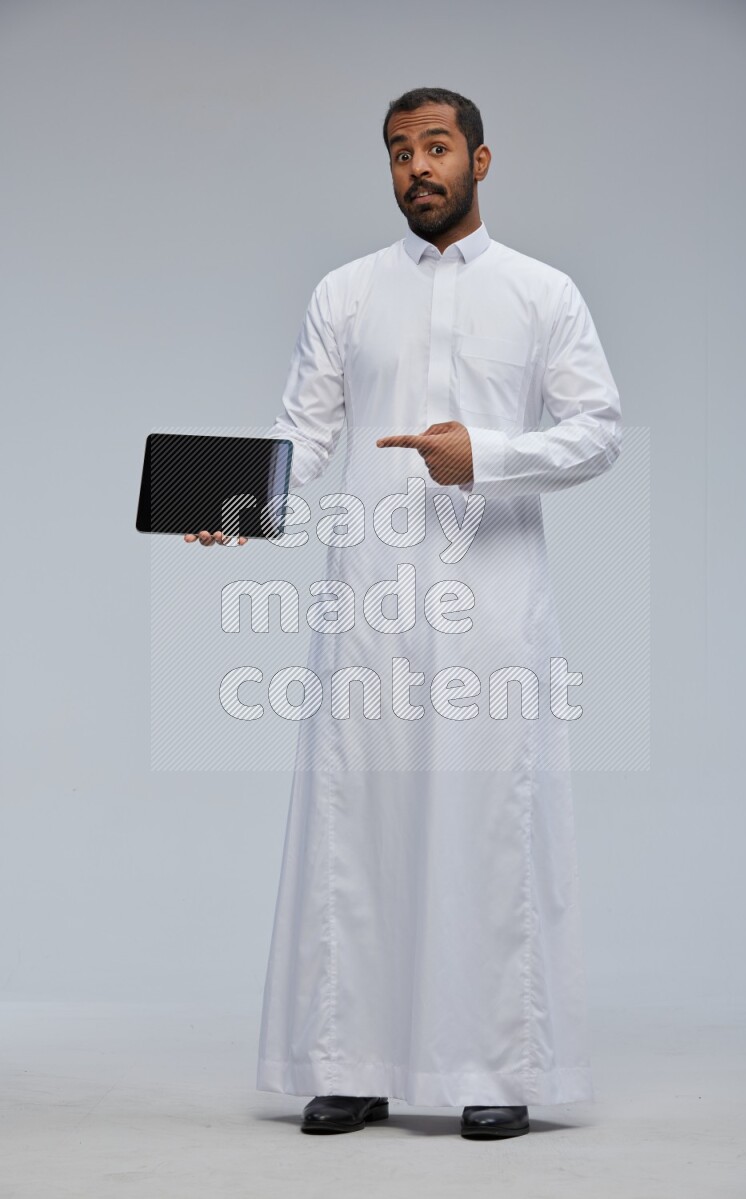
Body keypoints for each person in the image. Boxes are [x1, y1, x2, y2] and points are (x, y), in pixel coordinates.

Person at [186, 86, 622, 1140]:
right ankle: (354, 1060)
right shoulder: (345, 292)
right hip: (370, 603)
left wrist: (491, 455)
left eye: (435, 147)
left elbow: (597, 429)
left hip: (491, 608)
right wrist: (236, 508)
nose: (415, 168)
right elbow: (302, 431)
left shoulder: (539, 292)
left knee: (484, 827)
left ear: (480, 159)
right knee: (360, 821)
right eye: (397, 152)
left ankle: (493, 1068)